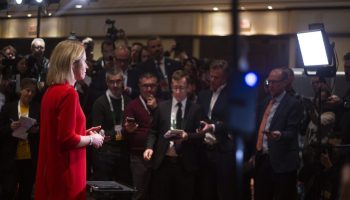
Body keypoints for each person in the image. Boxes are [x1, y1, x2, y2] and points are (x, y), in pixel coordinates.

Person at [34, 40, 104, 200]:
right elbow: (66, 139)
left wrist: (84, 133)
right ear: (73, 63)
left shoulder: (50, 91)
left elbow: (57, 134)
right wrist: (92, 139)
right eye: (84, 61)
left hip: (51, 169)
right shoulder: (69, 94)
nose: (87, 66)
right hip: (67, 171)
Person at [143, 70, 203, 200]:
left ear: (188, 88)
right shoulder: (162, 107)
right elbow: (153, 131)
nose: (177, 91)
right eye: (175, 88)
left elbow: (201, 135)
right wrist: (149, 147)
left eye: (181, 88)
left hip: (185, 164)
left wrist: (187, 136)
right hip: (164, 162)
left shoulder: (196, 109)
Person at [253, 68, 303, 200]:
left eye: (274, 82)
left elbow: (292, 132)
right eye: (269, 82)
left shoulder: (293, 104)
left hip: (283, 162)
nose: (271, 85)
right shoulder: (264, 102)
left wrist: (280, 135)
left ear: (284, 82)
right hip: (263, 158)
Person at [90, 68, 132, 200]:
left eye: (118, 81)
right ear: (106, 82)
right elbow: (99, 133)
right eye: (111, 82)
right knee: (104, 193)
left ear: (123, 81)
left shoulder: (129, 101)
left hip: (124, 151)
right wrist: (121, 130)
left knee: (124, 191)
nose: (115, 85)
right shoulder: (99, 103)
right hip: (105, 154)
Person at [196, 60, 235, 200]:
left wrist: (213, 126)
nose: (212, 80)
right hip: (205, 149)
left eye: (216, 77)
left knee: (224, 191)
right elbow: (199, 116)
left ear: (225, 78)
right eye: (211, 76)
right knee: (206, 191)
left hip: (223, 149)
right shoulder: (203, 94)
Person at [0, 78, 40, 200]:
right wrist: (10, 127)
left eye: (33, 92)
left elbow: (42, 128)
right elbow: (1, 129)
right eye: (27, 90)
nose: (30, 94)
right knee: (8, 191)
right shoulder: (8, 108)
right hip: (11, 157)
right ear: (20, 90)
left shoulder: (37, 109)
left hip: (29, 158)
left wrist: (36, 131)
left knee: (26, 192)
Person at [124, 73, 159, 200]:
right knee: (139, 194)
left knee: (157, 193)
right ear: (139, 87)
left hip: (159, 156)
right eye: (145, 86)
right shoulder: (132, 105)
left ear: (157, 86)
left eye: (152, 86)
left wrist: (156, 109)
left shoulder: (162, 104)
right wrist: (127, 130)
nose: (149, 89)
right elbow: (124, 131)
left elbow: (163, 126)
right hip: (138, 157)